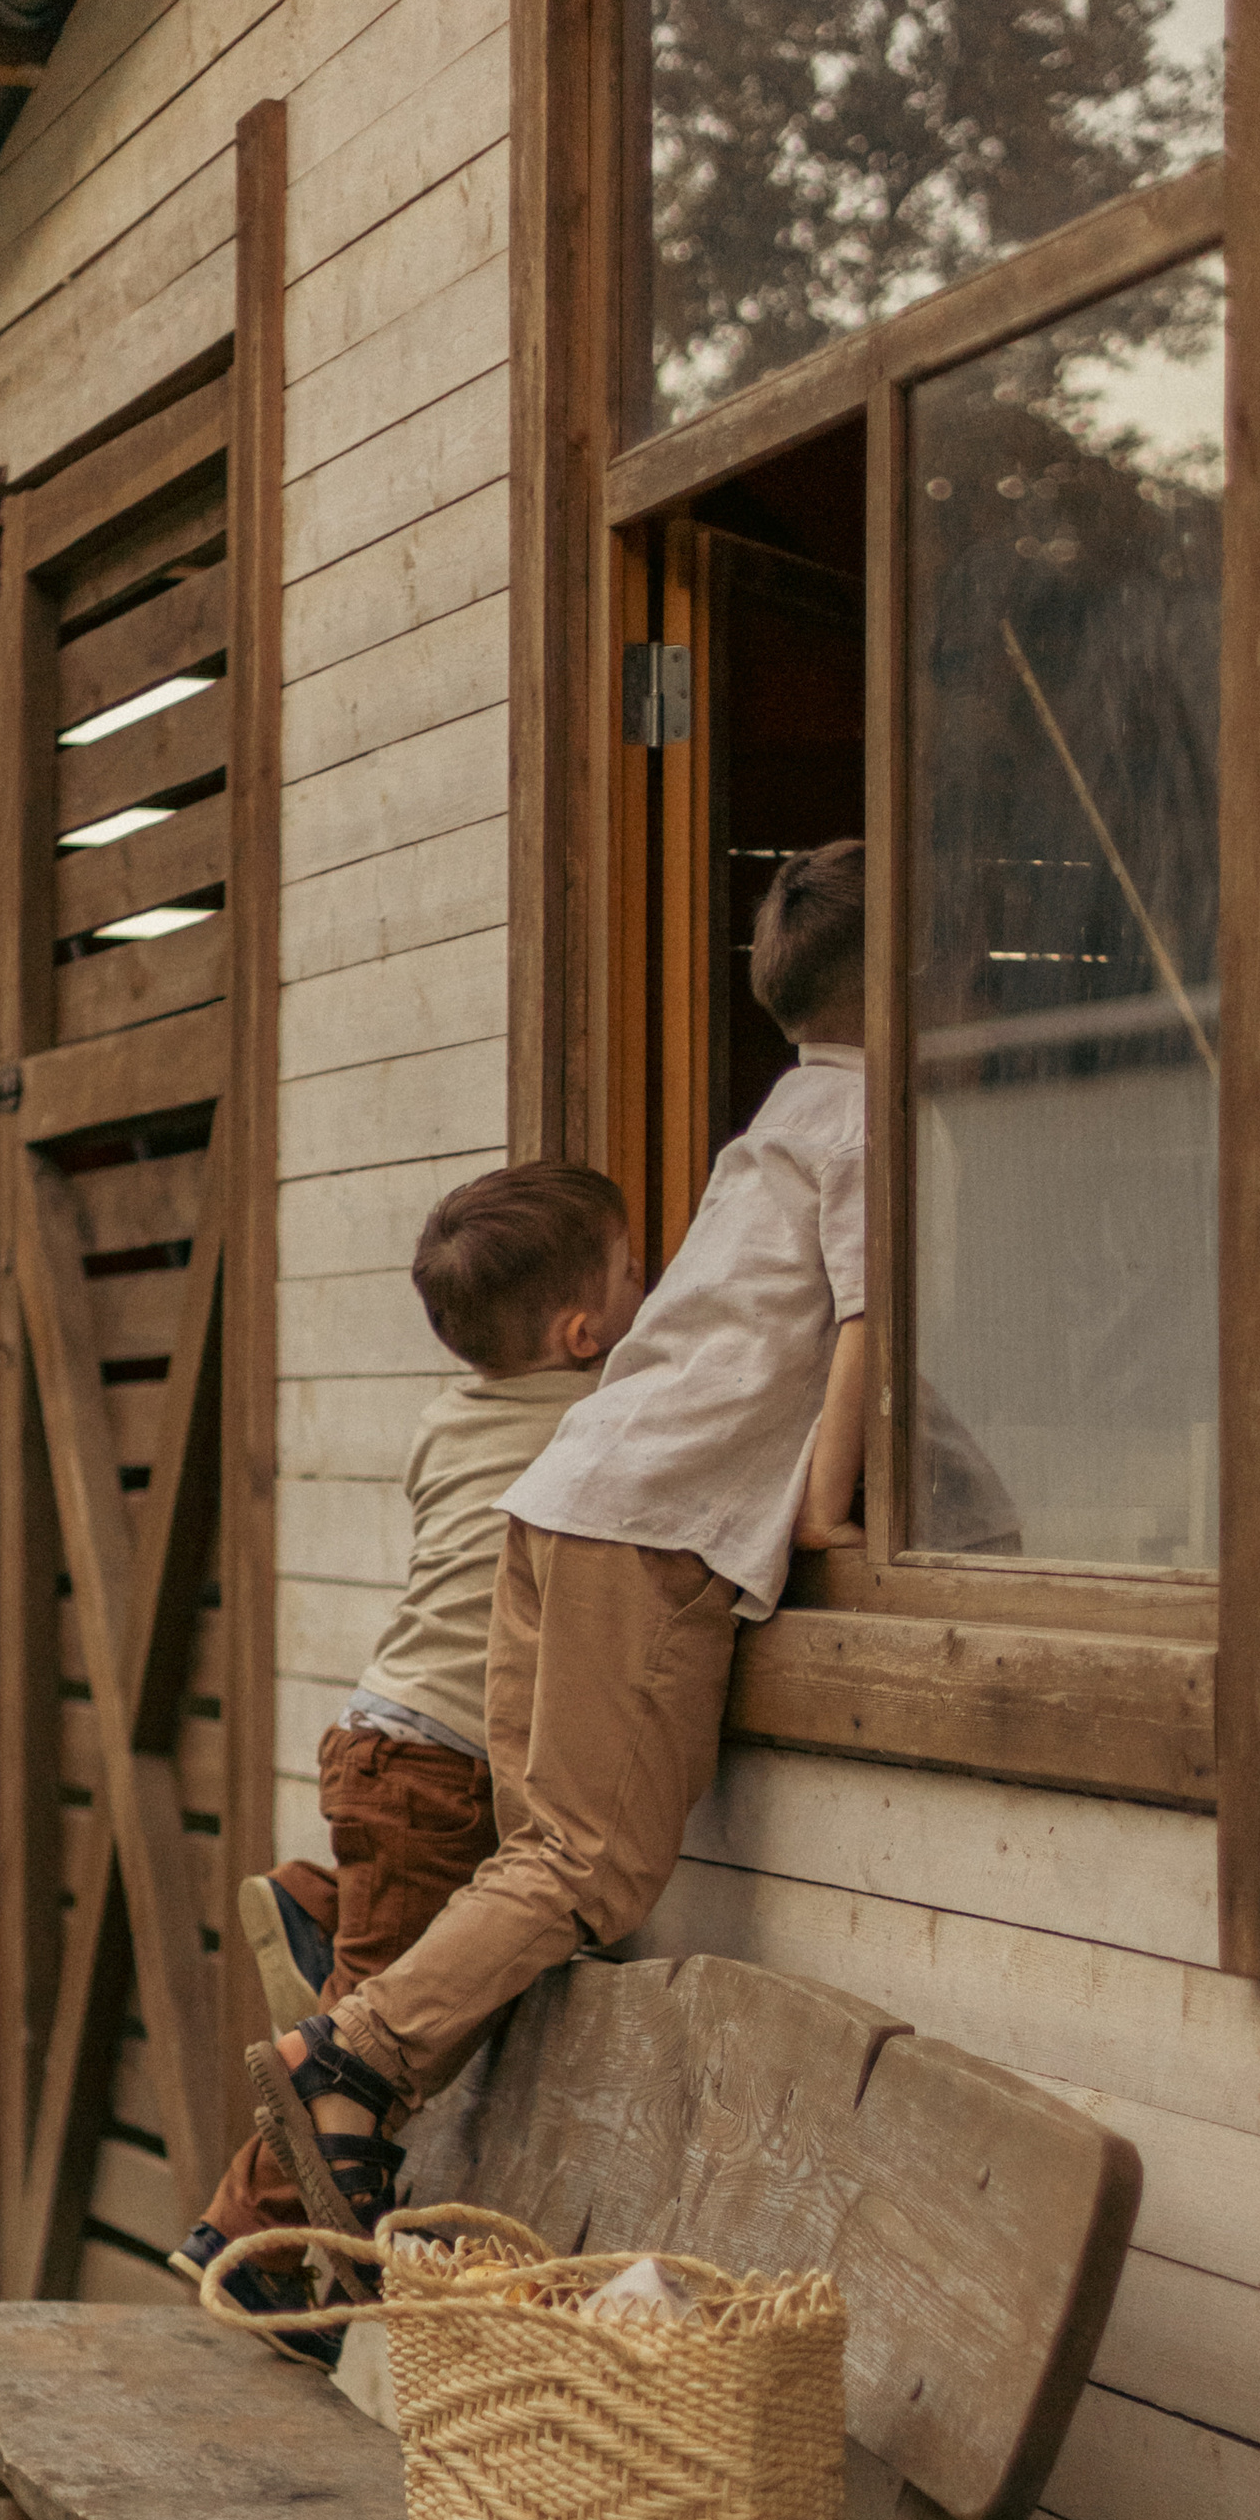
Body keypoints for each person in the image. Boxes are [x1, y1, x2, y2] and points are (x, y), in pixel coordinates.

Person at [249, 839, 873, 2237]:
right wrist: (829, 1511)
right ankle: (351, 2053)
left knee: (532, 1867)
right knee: (586, 1869)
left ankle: (349, 2086)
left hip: (567, 1499)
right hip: (641, 1526)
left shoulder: (782, 1114)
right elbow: (862, 1332)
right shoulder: (874, 1128)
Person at [171, 1156, 642, 2305]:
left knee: (387, 1979)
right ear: (585, 1332)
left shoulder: (449, 1418)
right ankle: (251, 2255)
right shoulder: (599, 1417)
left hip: (383, 1736)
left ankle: (323, 1907)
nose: (657, 1282)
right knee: (358, 2059)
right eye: (638, 1272)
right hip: (439, 1765)